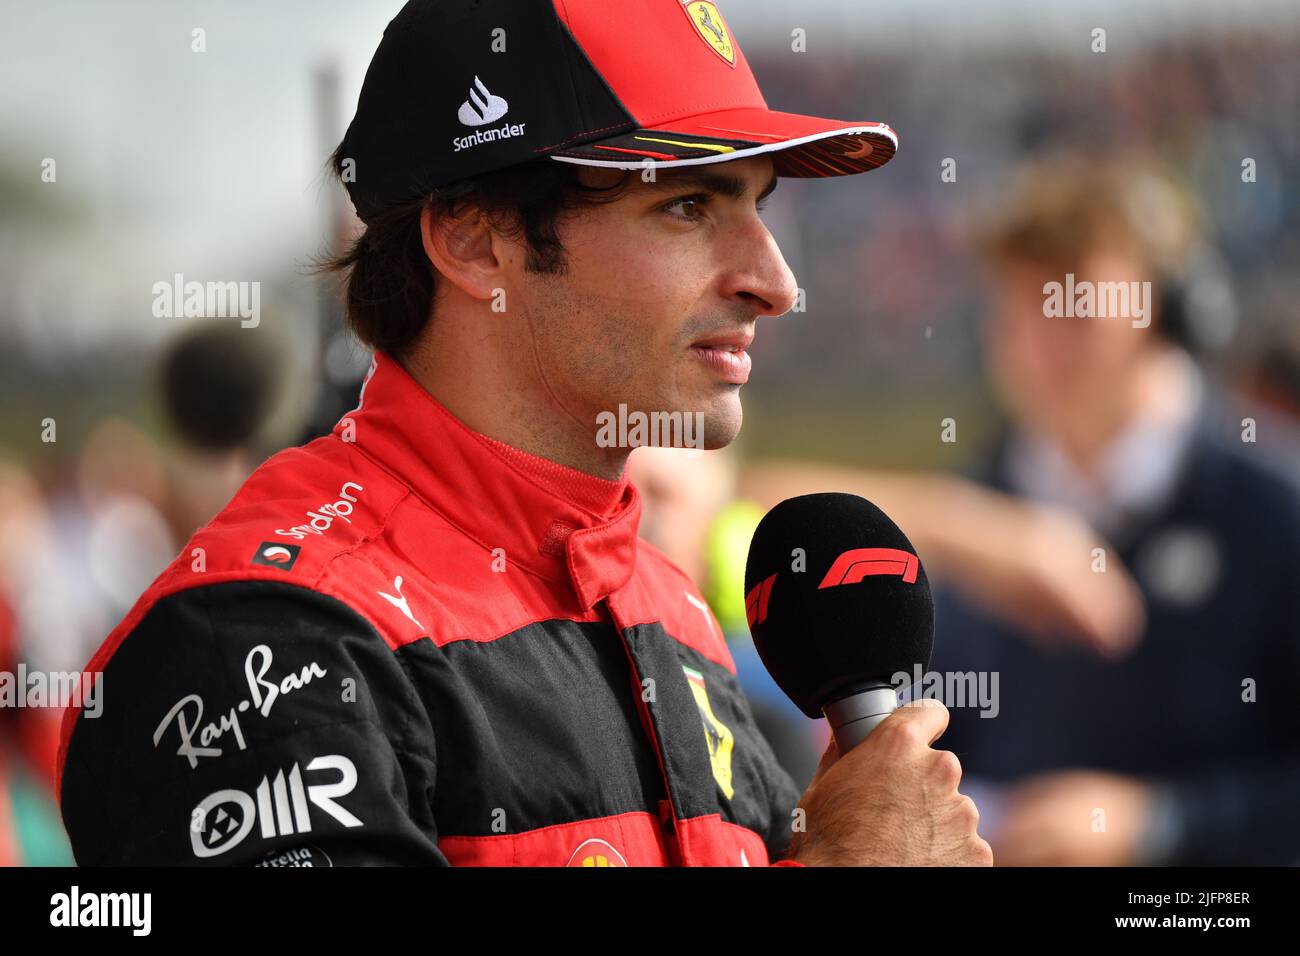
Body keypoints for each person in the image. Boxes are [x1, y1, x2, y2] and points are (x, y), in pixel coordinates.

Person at [57, 0, 990, 867]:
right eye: (687, 205)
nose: (775, 282)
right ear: (473, 240)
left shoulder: (671, 610)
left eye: (757, 206)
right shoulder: (258, 640)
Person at [930, 152, 1300, 865]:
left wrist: (1162, 826)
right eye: (1017, 305)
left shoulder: (1278, 512)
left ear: (1175, 310)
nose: (1036, 341)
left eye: (1071, 303)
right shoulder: (965, 516)